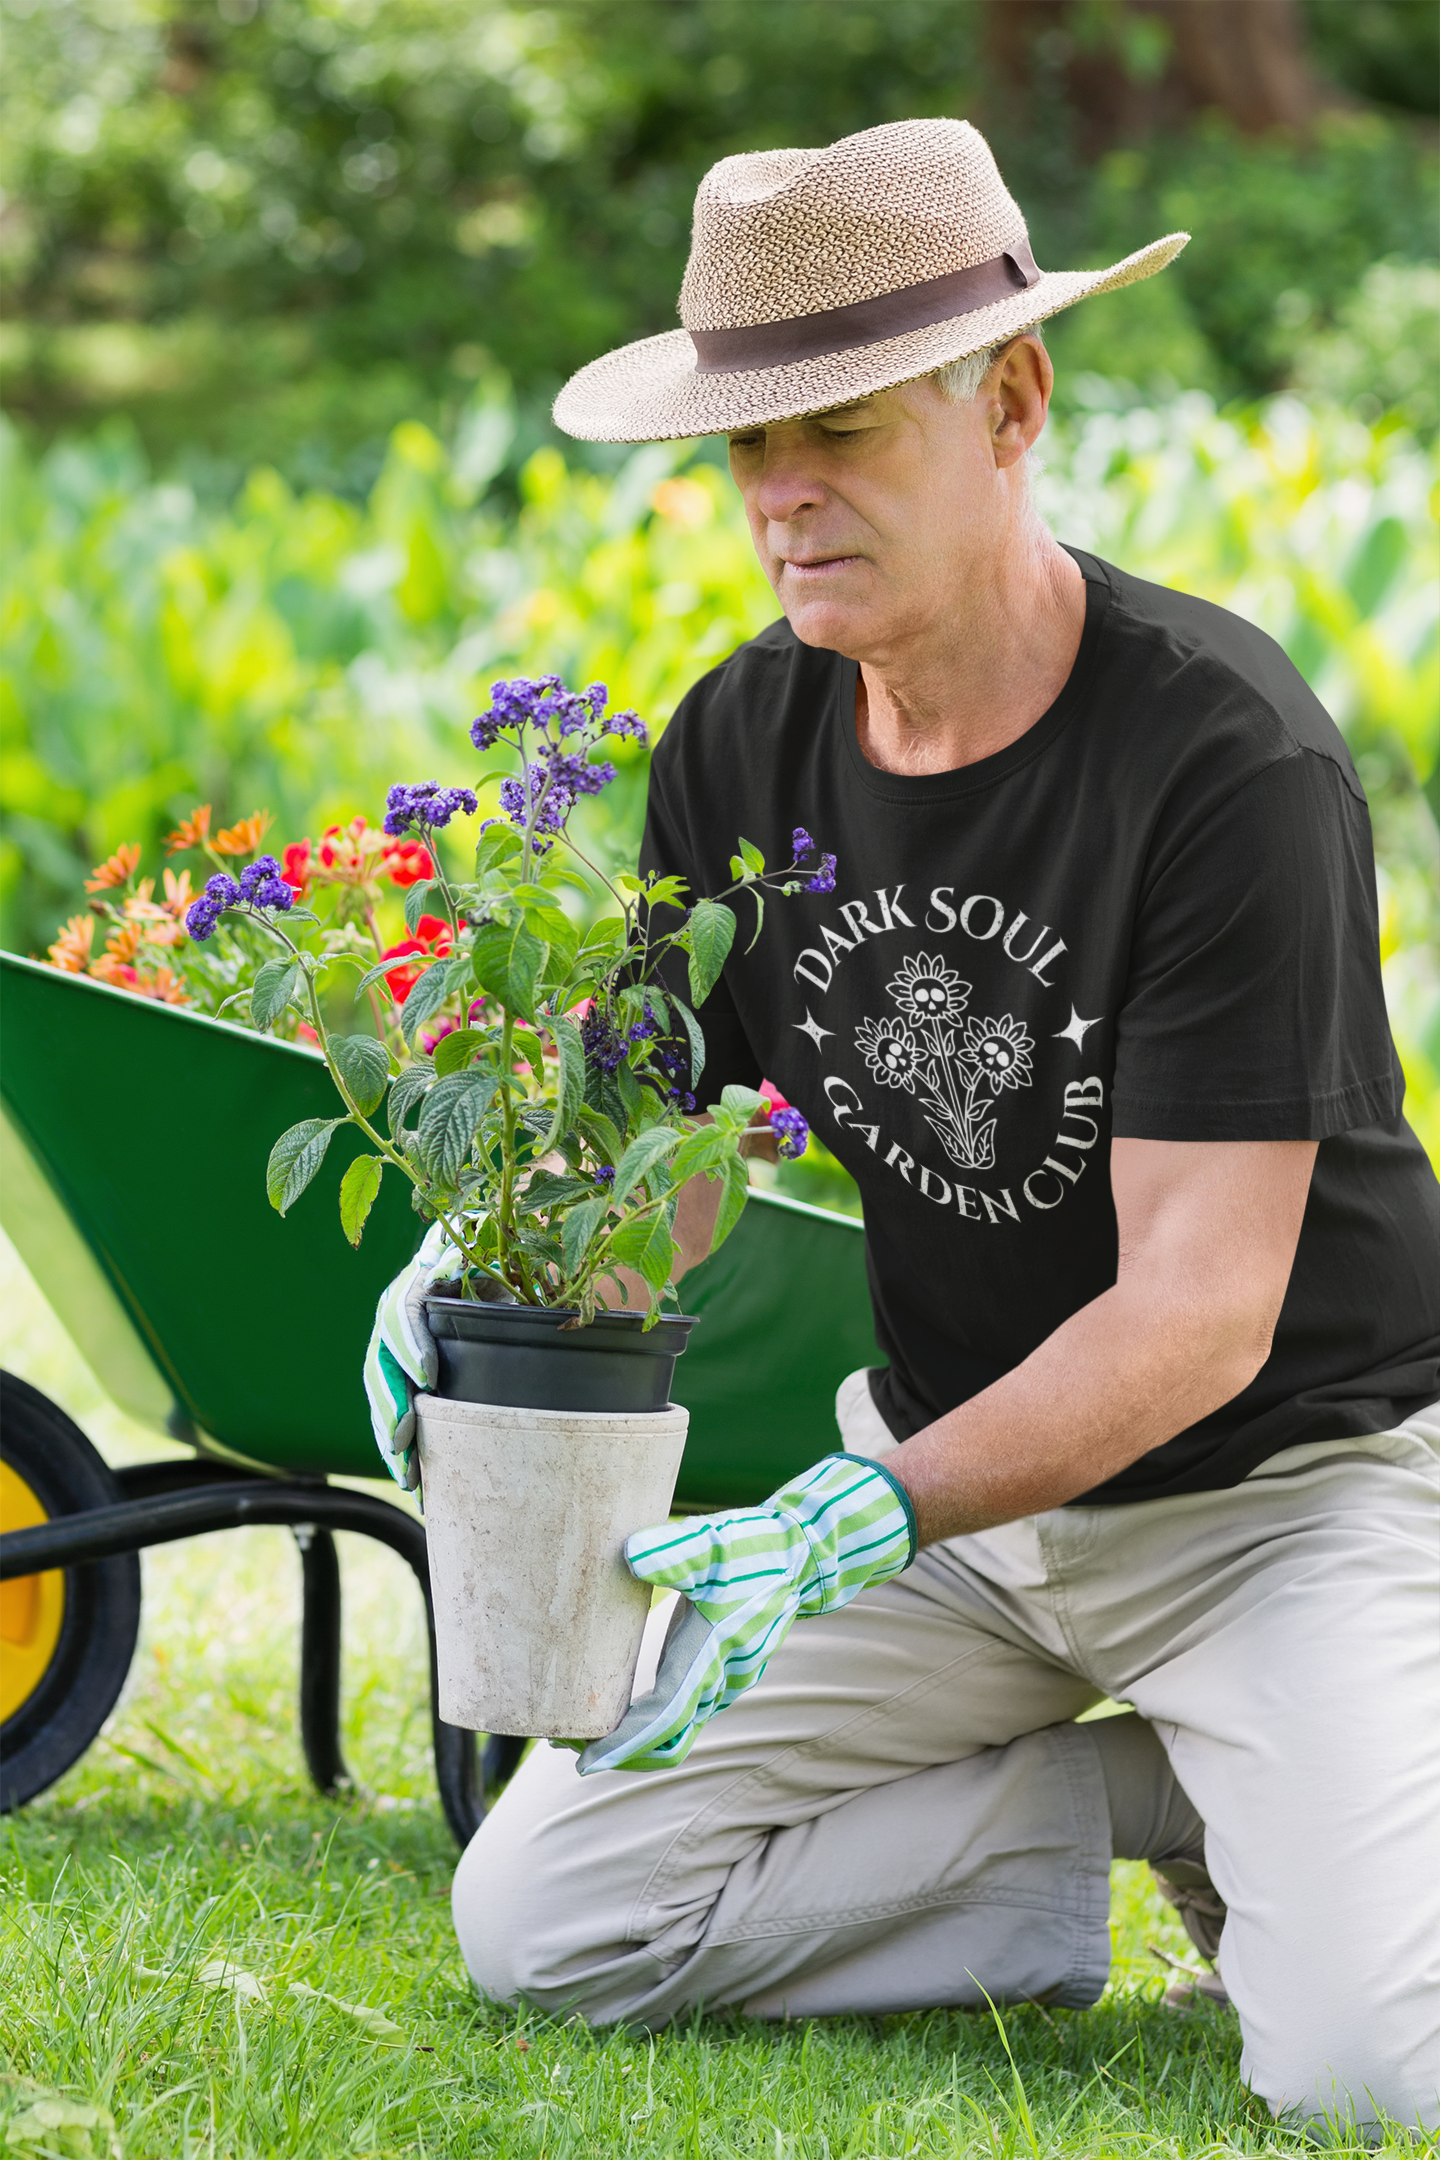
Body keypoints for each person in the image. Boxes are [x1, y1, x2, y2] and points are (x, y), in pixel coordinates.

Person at [447, 119, 1440, 2135]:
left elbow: (1201, 1318)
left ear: (1012, 401)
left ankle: (1289, 1755)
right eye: (745, 445)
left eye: (841, 430)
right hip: (946, 1509)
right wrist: (505, 1302)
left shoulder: (1222, 759)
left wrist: (871, 1511)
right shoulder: (744, 736)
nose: (778, 498)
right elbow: (664, 1164)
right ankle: (1152, 1788)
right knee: (543, 1927)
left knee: (1367, 2073)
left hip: (1275, 1500)